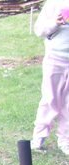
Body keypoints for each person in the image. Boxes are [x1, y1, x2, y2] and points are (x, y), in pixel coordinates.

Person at [31, 0, 69, 154]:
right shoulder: (54, 3)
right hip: (55, 60)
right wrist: (55, 22)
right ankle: (39, 137)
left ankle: (65, 140)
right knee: (50, 99)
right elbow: (39, 30)